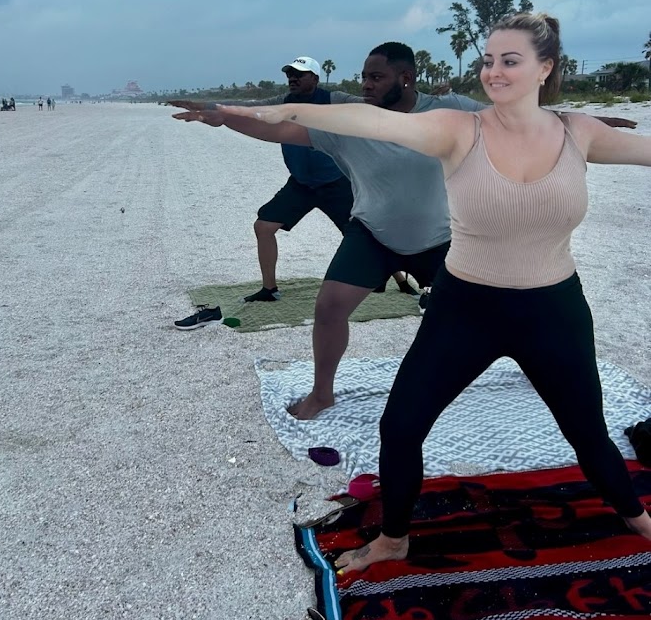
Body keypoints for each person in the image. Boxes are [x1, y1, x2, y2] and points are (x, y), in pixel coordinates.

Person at [221, 12, 651, 561]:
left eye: (510, 61)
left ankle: (638, 519)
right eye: (489, 61)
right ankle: (392, 540)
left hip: (554, 311)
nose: (494, 72)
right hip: (464, 307)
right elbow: (359, 120)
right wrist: (275, 110)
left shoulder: (577, 133)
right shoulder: (458, 127)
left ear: (545, 68)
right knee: (400, 426)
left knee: (588, 434)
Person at [173, 43, 488, 407]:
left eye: (376, 77)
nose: (366, 85)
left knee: (493, 307)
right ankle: (321, 394)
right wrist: (225, 117)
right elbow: (281, 129)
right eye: (364, 77)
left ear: (406, 78)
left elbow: (507, 121)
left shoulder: (450, 110)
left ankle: (530, 361)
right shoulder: (349, 122)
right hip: (372, 235)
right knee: (328, 308)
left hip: (441, 237)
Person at [171, 57, 358, 319]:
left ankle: (399, 280)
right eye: (290, 74)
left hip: (336, 182)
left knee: (364, 234)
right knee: (263, 226)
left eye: (299, 74)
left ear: (315, 78)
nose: (292, 78)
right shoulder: (282, 103)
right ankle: (269, 289)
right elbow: (245, 108)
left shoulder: (332, 99)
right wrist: (207, 107)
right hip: (301, 183)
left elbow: (371, 105)